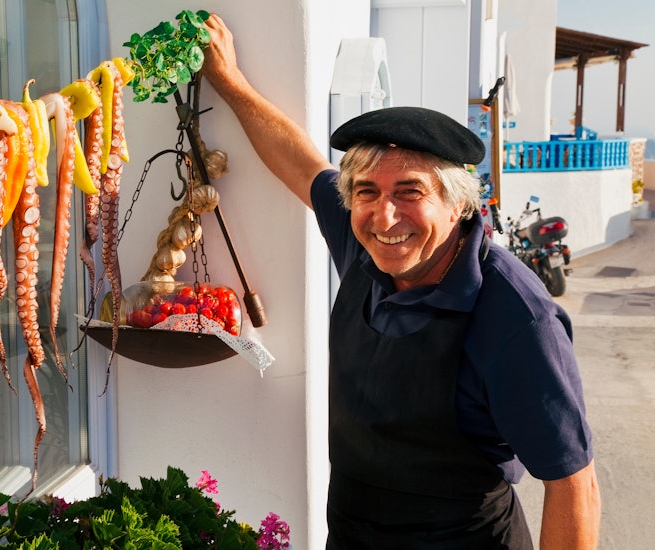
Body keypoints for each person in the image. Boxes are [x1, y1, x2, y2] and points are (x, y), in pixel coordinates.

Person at [201, 14, 601, 549]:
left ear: (458, 204)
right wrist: (231, 83)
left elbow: (574, 486)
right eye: (366, 191)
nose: (384, 217)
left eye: (410, 192)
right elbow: (301, 164)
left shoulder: (516, 318)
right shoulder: (363, 245)